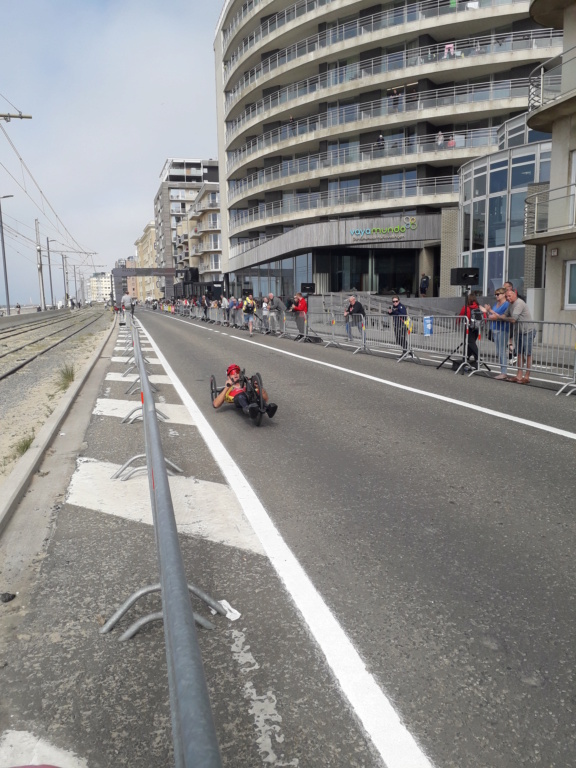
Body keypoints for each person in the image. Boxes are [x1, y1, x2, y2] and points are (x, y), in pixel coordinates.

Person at [487, 285, 534, 384]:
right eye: (507, 296)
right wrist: (499, 316)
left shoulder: (519, 303)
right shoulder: (510, 304)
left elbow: (513, 319)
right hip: (519, 331)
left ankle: (527, 376)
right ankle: (519, 375)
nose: (508, 298)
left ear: (514, 294)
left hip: (528, 331)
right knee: (520, 354)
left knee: (528, 354)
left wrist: (499, 317)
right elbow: (505, 315)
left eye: (510, 296)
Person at [212, 363, 278, 419]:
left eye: (237, 372)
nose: (235, 374)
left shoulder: (247, 385)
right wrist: (227, 387)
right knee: (240, 396)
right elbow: (215, 404)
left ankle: (268, 408)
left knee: (257, 396)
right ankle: (248, 409)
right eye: (232, 372)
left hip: (249, 396)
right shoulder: (227, 388)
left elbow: (265, 398)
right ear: (229, 377)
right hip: (238, 399)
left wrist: (260, 387)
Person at [482, 288, 509, 379]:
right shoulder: (496, 304)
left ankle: (504, 372)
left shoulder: (506, 304)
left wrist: (490, 311)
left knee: (502, 351)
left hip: (502, 329)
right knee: (498, 351)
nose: (496, 296)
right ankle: (502, 371)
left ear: (504, 294)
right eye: (495, 294)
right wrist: (489, 312)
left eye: (498, 294)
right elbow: (491, 316)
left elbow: (498, 316)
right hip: (494, 329)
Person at [458, 293, 485, 368]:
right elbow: (484, 317)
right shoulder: (479, 307)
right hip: (478, 328)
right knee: (471, 343)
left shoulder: (466, 307)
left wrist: (458, 322)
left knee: (470, 342)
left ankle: (478, 358)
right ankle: (466, 357)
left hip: (469, 328)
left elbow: (460, 315)